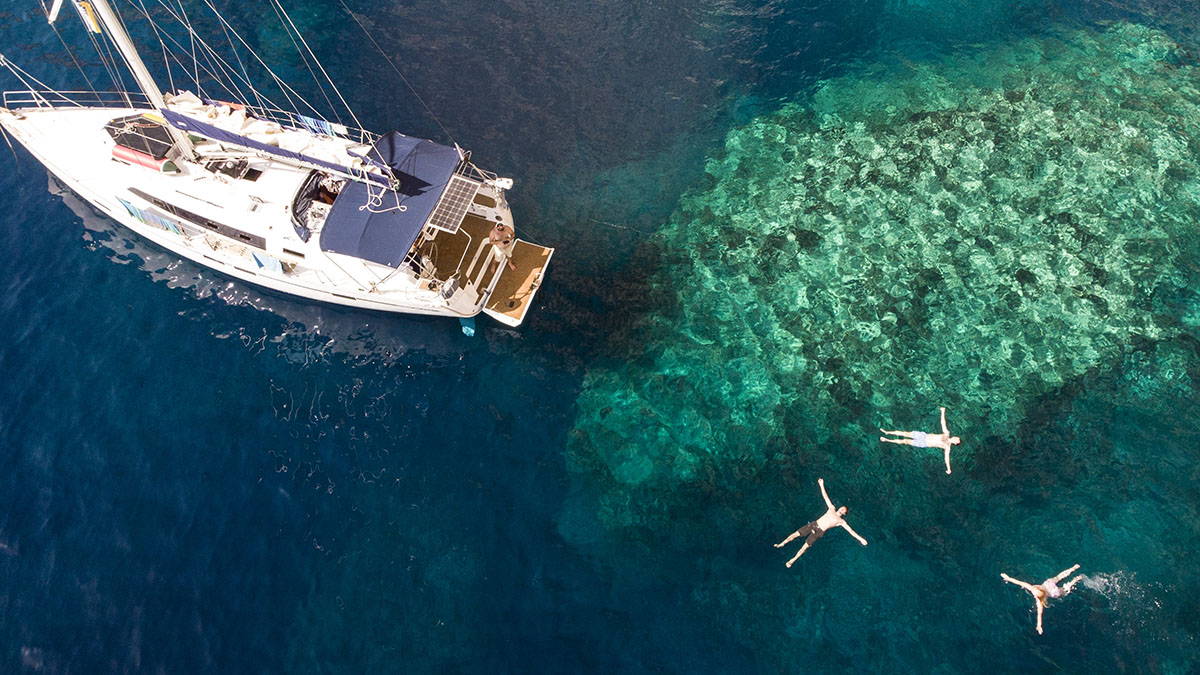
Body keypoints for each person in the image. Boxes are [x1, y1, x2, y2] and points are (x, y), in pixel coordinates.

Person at [774, 478, 868, 567]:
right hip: (813, 524)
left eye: (843, 509)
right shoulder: (831, 508)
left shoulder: (841, 521)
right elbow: (826, 497)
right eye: (842, 507)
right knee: (795, 534)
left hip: (819, 532)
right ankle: (782, 543)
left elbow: (851, 531)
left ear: (844, 513)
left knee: (804, 547)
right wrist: (821, 485)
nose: (841, 509)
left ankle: (792, 560)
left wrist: (861, 539)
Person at [1000, 564, 1083, 634]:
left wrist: (1039, 625)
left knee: (1065, 590)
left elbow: (1040, 613)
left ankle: (1075, 580)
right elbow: (1021, 583)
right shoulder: (1034, 589)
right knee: (1059, 577)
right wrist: (1008, 578)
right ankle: (1073, 568)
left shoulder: (1039, 601)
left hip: (1054, 593)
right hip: (1049, 585)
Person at [880, 406, 962, 474]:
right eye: (957, 437)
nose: (956, 438)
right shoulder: (946, 434)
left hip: (924, 443)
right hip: (923, 436)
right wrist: (942, 412)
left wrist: (949, 468)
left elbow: (946, 458)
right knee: (905, 433)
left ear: (955, 443)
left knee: (905, 441)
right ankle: (887, 432)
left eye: (957, 440)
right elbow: (943, 423)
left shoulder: (947, 447)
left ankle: (887, 440)